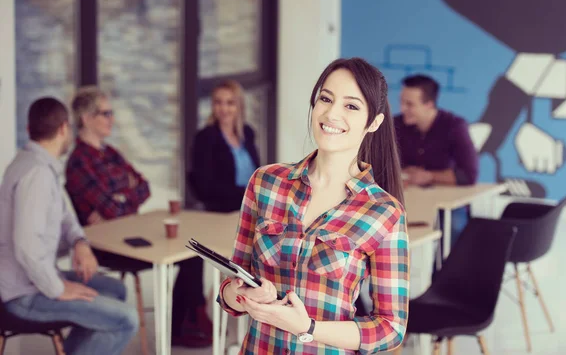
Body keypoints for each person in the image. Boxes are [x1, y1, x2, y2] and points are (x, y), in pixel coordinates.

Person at [217, 58, 409, 354]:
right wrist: (239, 293)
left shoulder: (384, 211)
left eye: (351, 106)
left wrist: (307, 328)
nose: (331, 113)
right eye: (325, 98)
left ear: (374, 122)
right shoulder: (266, 183)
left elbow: (390, 328)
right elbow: (231, 290)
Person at [64, 86, 212, 348]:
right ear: (86, 118)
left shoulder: (110, 153)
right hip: (106, 246)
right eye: (105, 113)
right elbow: (113, 208)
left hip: (129, 232)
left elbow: (143, 187)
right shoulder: (78, 161)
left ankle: (181, 326)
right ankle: (185, 325)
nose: (112, 119)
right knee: (181, 253)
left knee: (191, 254)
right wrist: (122, 195)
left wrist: (120, 199)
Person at [0, 97, 139, 355]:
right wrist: (58, 288)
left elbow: (67, 215)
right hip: (23, 294)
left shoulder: (40, 166)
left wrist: (80, 242)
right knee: (126, 320)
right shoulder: (37, 175)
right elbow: (26, 248)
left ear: (30, 130)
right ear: (64, 129)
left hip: (33, 281)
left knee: (115, 290)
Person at [394, 74, 479, 245]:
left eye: (410, 104)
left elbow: (468, 175)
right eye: (402, 102)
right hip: (408, 200)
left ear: (429, 104)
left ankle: (448, 272)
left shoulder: (454, 126)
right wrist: (397, 175)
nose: (403, 109)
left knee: (454, 226)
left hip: (446, 206)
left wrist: (428, 176)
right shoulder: (394, 124)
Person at [191, 80, 260, 213]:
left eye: (230, 103)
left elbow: (256, 172)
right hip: (222, 213)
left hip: (252, 209)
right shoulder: (205, 138)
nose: (223, 109)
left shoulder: (247, 133)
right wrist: (246, 195)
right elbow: (204, 187)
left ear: (239, 106)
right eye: (218, 102)